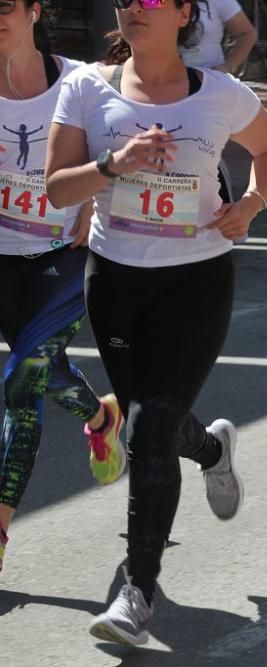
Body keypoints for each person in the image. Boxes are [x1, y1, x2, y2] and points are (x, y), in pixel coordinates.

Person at [46, 0, 267, 644]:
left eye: (153, 0)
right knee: (153, 424)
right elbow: (57, 189)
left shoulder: (221, 94)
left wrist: (253, 203)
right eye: (126, 0)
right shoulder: (87, 87)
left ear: (186, 12)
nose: (134, 9)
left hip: (196, 279)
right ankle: (211, 448)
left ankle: (137, 593)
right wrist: (113, 164)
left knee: (149, 434)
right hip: (116, 279)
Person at [0, 0, 125, 574]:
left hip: (65, 256)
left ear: (32, 10)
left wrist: (95, 194)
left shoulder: (79, 83)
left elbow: (115, 152)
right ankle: (101, 418)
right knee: (41, 368)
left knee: (22, 382)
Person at [179, 0, 257, 203]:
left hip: (206, 90)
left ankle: (215, 206)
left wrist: (227, 66)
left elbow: (247, 34)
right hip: (162, 85)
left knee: (204, 153)